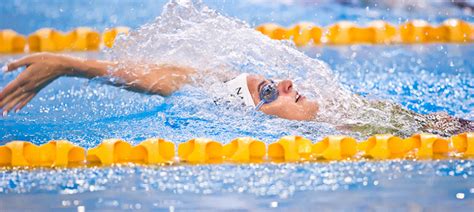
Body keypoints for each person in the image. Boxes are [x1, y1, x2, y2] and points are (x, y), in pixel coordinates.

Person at [0, 53, 472, 136]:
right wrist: (68, 67)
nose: (289, 83)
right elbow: (175, 81)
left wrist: (70, 65)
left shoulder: (365, 114)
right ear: (255, 120)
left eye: (274, 82)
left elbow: (186, 78)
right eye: (270, 91)